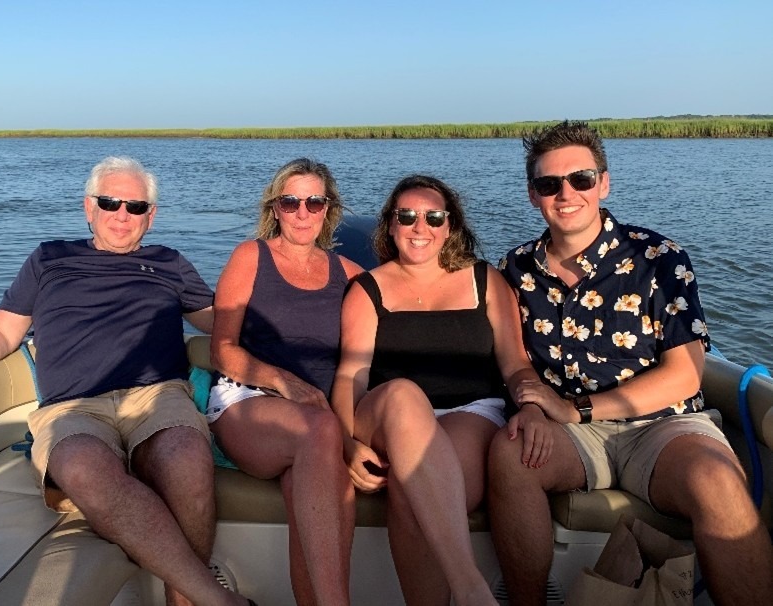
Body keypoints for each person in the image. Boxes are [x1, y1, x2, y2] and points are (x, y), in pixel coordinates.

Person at [0, 156, 254, 606]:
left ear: (151, 216)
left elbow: (220, 321)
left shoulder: (170, 264)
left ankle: (184, 599)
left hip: (157, 395)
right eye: (110, 202)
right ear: (89, 207)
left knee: (186, 456)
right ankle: (214, 600)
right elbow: (1, 332)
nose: (122, 215)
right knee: (80, 465)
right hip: (72, 407)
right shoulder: (50, 259)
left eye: (135, 207)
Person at [491, 120, 773, 606]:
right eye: (548, 184)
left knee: (718, 481)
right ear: (532, 194)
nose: (566, 194)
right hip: (572, 434)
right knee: (509, 455)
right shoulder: (515, 270)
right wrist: (534, 407)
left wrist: (575, 408)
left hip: (663, 426)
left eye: (580, 179)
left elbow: (684, 373)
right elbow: (515, 361)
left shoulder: (660, 259)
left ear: (603, 182)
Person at [331, 175, 553, 606]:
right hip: (384, 416)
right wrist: (346, 443)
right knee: (402, 394)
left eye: (433, 217)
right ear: (391, 225)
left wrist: (535, 409)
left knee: (413, 491)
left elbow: (516, 364)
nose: (420, 227)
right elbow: (350, 376)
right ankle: (471, 588)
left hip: (470, 411)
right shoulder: (367, 289)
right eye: (407, 216)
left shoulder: (484, 281)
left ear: (449, 226)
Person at [207, 158, 362, 606]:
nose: (301, 212)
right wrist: (284, 381)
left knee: (322, 490)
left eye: (313, 202)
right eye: (290, 202)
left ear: (327, 209)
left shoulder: (350, 274)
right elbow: (223, 350)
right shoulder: (250, 256)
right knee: (319, 431)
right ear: (275, 208)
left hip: (318, 418)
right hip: (248, 399)